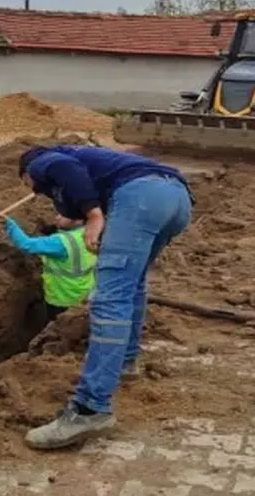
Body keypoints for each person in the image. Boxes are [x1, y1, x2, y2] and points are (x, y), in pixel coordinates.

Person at [17, 145, 192, 450]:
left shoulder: (42, 161)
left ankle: (90, 408)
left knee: (109, 300)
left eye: (26, 183)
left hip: (142, 198)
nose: (33, 191)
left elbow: (65, 171)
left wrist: (95, 216)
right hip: (176, 198)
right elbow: (75, 194)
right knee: (131, 285)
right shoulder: (97, 164)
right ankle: (126, 361)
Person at [3, 215, 98, 319]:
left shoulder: (60, 242)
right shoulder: (91, 232)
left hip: (61, 300)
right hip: (84, 296)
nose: (57, 217)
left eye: (64, 215)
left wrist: (9, 224)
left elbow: (26, 244)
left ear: (79, 220)